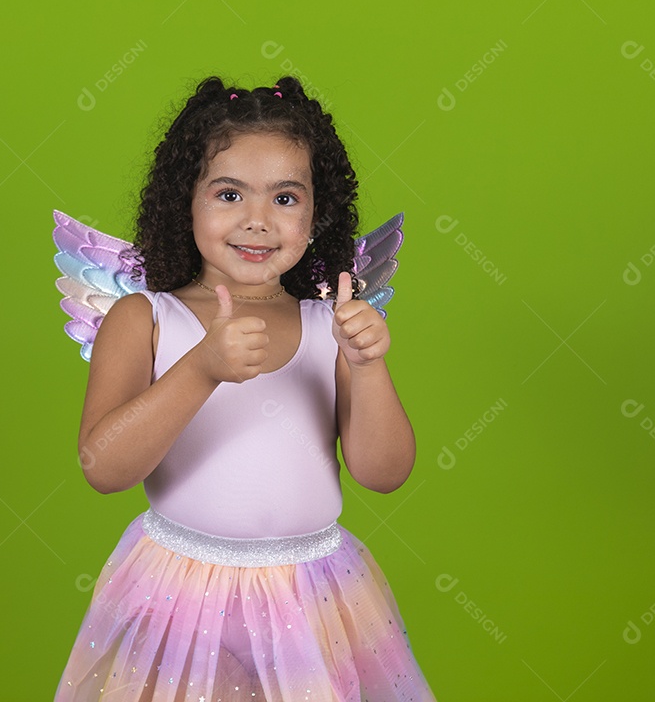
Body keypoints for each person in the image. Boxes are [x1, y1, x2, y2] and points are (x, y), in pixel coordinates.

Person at [53, 75, 436, 701]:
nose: (257, 221)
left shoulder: (329, 325)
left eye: (285, 199)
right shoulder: (145, 320)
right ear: (187, 202)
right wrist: (202, 367)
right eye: (229, 193)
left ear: (318, 215)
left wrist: (366, 367)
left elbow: (383, 471)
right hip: (177, 595)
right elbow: (104, 468)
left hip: (315, 595)